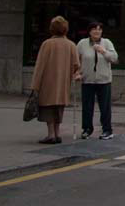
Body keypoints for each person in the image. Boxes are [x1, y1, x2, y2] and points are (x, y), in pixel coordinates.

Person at [31, 16, 81, 144]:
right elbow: (76, 64)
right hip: (63, 83)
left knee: (48, 108)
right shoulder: (71, 45)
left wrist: (35, 85)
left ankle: (51, 134)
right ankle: (57, 133)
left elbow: (40, 65)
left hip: (48, 82)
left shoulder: (47, 44)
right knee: (59, 108)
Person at [76, 20, 118, 140]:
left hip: (104, 80)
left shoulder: (107, 43)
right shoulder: (82, 43)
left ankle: (107, 130)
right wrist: (77, 72)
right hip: (87, 79)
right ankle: (87, 129)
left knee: (105, 107)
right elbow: (76, 59)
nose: (97, 31)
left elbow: (114, 58)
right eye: (94, 29)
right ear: (89, 31)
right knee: (87, 106)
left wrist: (103, 51)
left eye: (99, 29)